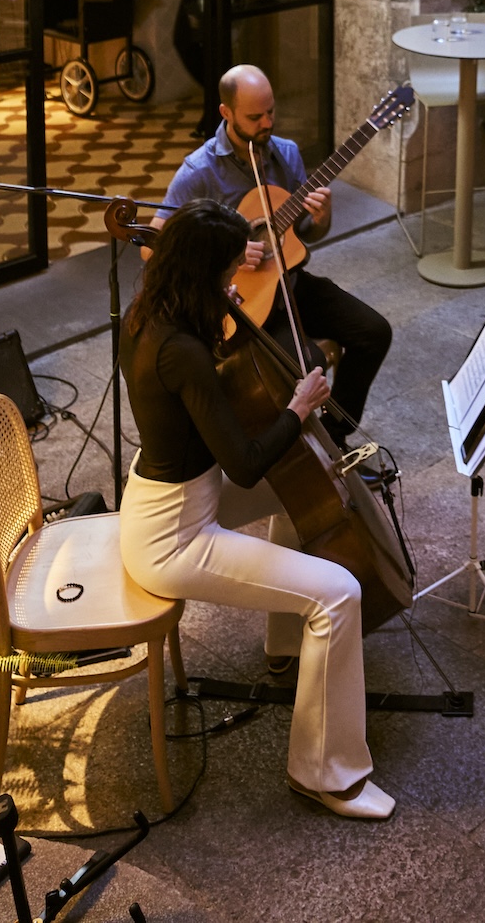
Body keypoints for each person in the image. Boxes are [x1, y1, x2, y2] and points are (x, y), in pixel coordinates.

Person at [119, 197, 395, 820]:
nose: (230, 287)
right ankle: (326, 774)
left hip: (169, 489)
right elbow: (245, 462)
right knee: (339, 593)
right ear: (200, 275)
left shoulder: (148, 316)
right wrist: (298, 408)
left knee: (302, 488)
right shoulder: (181, 351)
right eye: (223, 278)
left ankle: (288, 646)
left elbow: (207, 423)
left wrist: (223, 324)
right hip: (174, 537)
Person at [154, 63, 392, 447]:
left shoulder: (286, 153)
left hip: (289, 283)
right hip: (240, 303)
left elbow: (299, 236)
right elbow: (154, 246)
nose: (267, 122)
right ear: (226, 113)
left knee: (373, 332)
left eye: (271, 112)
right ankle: (280, 451)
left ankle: (334, 439)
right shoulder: (199, 172)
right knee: (308, 363)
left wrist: (320, 218)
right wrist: (224, 255)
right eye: (255, 116)